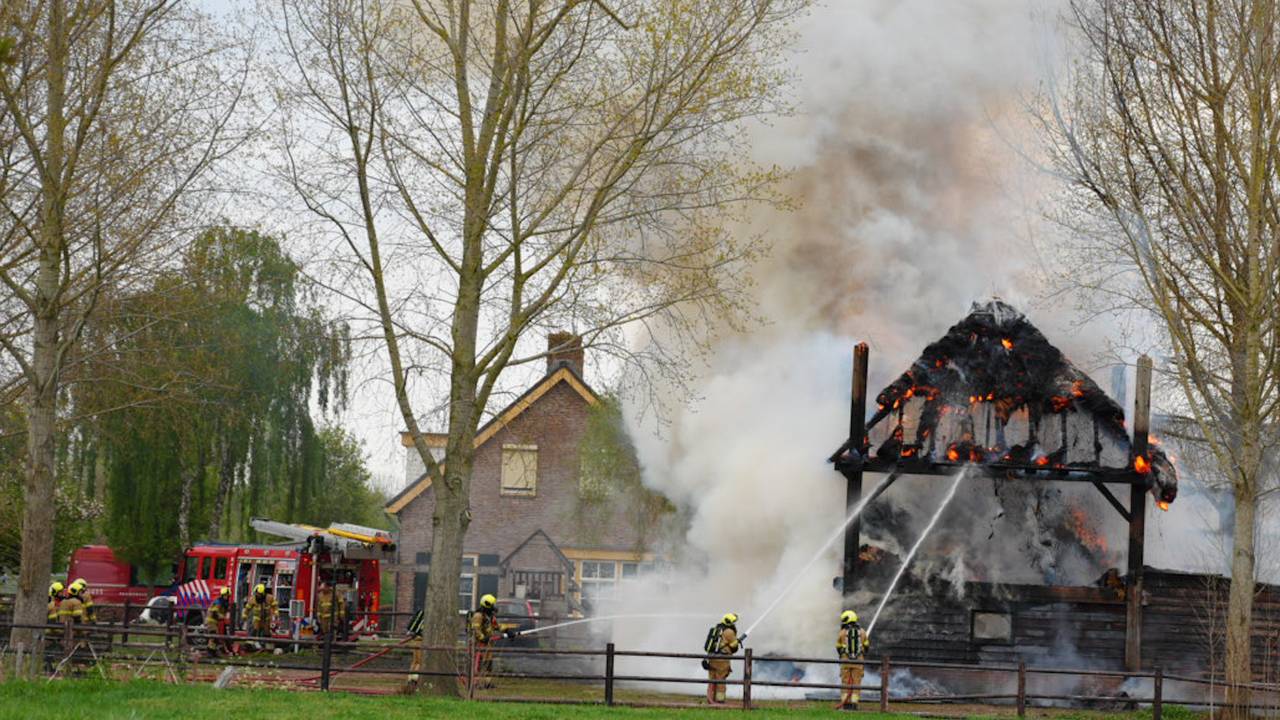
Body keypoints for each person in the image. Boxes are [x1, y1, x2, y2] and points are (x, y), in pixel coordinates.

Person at [704, 612, 742, 705]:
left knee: (712, 678)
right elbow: (733, 646)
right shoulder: (729, 632)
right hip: (722, 659)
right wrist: (738, 641)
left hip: (712, 658)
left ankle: (710, 699)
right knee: (721, 679)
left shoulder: (717, 628)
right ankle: (720, 700)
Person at [836, 609, 870, 711]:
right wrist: (862, 654)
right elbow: (867, 646)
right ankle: (854, 704)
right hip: (859, 661)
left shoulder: (842, 633)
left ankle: (846, 704)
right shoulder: (863, 632)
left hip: (845, 661)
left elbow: (837, 647)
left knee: (845, 681)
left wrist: (842, 656)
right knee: (856, 682)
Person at [470, 594, 501, 689]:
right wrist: (483, 638)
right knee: (478, 664)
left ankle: (488, 683)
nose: (493, 607)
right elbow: (476, 629)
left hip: (488, 644)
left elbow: (497, 627)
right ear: (487, 605)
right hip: (479, 644)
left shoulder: (490, 616)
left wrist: (507, 630)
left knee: (488, 664)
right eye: (492, 605)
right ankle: (475, 683)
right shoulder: (478, 615)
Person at [205, 587, 232, 654]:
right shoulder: (218, 602)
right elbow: (214, 613)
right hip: (211, 621)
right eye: (226, 595)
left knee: (216, 637)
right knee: (213, 636)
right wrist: (222, 617)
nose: (227, 597)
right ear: (223, 595)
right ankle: (210, 652)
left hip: (215, 622)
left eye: (228, 596)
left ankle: (213, 651)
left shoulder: (223, 603)